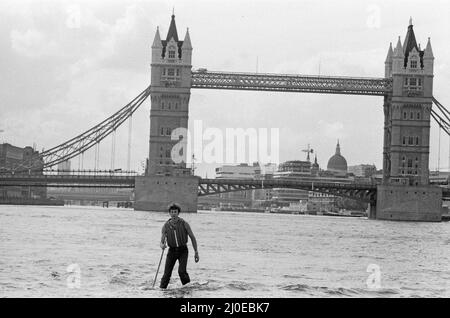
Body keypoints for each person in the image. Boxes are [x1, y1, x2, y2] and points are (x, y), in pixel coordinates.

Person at [159, 203, 199, 289]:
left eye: (175, 212)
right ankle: (162, 290)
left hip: (183, 250)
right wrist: (162, 245)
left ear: (178, 213)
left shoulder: (184, 223)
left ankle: (187, 288)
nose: (173, 214)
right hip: (172, 251)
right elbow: (161, 241)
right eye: (172, 212)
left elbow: (192, 237)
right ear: (169, 213)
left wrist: (196, 252)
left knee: (181, 271)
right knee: (166, 274)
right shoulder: (165, 226)